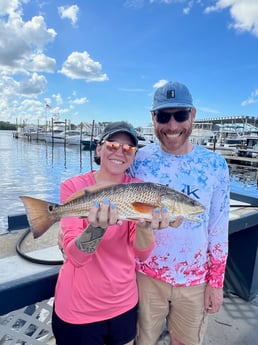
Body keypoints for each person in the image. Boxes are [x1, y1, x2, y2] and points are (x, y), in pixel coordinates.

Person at [51, 121, 172, 345]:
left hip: (124, 304)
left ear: (133, 155)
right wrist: (97, 226)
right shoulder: (73, 186)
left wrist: (145, 225)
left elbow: (142, 255)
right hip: (78, 309)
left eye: (128, 149)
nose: (120, 152)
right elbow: (75, 257)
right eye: (112, 145)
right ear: (99, 148)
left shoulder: (138, 188)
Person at [131, 81, 230, 345]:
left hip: (196, 279)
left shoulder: (215, 165)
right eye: (163, 116)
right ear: (153, 118)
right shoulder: (138, 159)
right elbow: (112, 193)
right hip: (143, 277)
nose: (172, 126)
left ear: (193, 115)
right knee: (143, 341)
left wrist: (216, 283)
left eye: (180, 115)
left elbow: (218, 228)